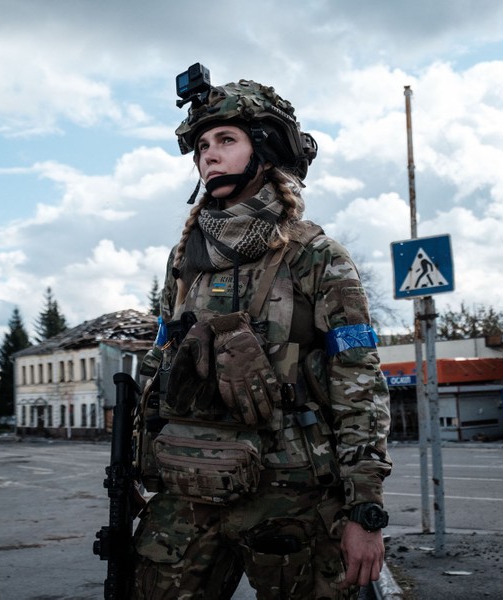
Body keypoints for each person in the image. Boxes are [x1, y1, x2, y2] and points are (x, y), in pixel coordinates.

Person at [132, 70, 392, 599]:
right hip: (190, 488)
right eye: (203, 145)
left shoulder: (317, 258)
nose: (209, 155)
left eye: (226, 140)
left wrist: (364, 511)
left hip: (292, 497)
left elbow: (358, 382)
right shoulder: (184, 261)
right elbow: (159, 366)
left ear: (266, 148)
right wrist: (141, 464)